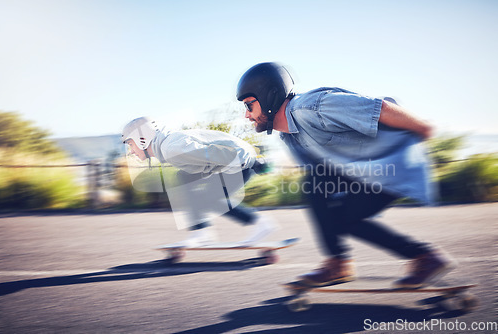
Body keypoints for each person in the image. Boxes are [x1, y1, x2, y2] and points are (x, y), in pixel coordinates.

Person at [236, 62, 455, 288]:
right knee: (316, 186)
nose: (246, 115)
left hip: (392, 164)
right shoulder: (289, 136)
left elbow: (378, 108)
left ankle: (425, 258)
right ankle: (338, 264)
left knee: (343, 215)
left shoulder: (312, 107)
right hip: (363, 171)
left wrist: (423, 128)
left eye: (249, 105)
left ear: (269, 96)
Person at [121, 117, 275, 247]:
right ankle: (201, 233)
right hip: (230, 162)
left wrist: (254, 162)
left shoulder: (172, 148)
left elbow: (218, 153)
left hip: (240, 162)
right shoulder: (167, 148)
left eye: (130, 144)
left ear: (142, 139)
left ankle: (261, 223)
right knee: (182, 178)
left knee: (209, 199)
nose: (131, 151)